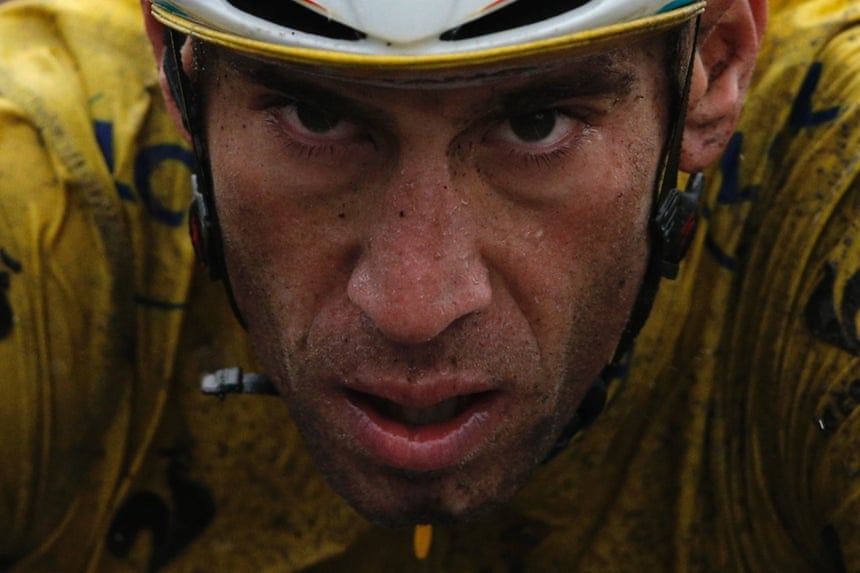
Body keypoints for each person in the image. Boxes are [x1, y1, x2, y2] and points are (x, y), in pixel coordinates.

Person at [0, 0, 857, 571]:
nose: (415, 306)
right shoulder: (37, 181)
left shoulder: (834, 156)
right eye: (316, 116)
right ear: (180, 71)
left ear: (712, 69)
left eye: (534, 123)